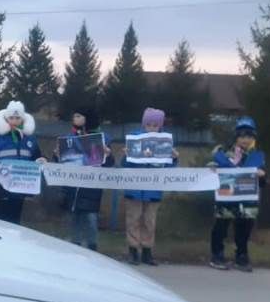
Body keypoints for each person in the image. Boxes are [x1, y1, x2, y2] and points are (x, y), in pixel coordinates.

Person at [121, 107, 178, 266]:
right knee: (133, 220)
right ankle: (133, 251)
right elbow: (125, 165)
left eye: (155, 125)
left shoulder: (164, 144)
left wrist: (173, 159)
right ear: (144, 125)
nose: (152, 128)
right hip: (134, 190)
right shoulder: (134, 139)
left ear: (160, 126)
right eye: (149, 125)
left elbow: (168, 170)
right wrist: (127, 155)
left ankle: (147, 251)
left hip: (153, 191)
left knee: (149, 221)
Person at [209, 116, 267, 272]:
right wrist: (213, 169)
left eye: (249, 136)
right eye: (242, 136)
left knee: (244, 228)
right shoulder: (224, 154)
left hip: (247, 201)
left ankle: (241, 256)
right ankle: (217, 254)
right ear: (236, 137)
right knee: (221, 226)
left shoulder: (257, 156)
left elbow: (262, 183)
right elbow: (211, 172)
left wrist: (262, 175)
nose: (245, 140)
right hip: (226, 197)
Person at [53, 108, 113, 250]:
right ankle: (75, 245)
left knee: (91, 218)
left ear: (86, 118)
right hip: (73, 187)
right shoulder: (68, 138)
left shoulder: (101, 138)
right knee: (75, 218)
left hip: (91, 186)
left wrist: (108, 155)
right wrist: (56, 155)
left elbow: (108, 164)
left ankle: (92, 246)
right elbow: (60, 165)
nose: (75, 118)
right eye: (74, 116)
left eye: (78, 115)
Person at [0, 100, 47, 225]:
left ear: (23, 119)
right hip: (1, 186)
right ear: (6, 118)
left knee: (15, 221)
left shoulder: (30, 139)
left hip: (20, 187)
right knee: (1, 220)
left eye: (18, 118)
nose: (14, 121)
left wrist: (41, 160)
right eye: (11, 117)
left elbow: (36, 157)